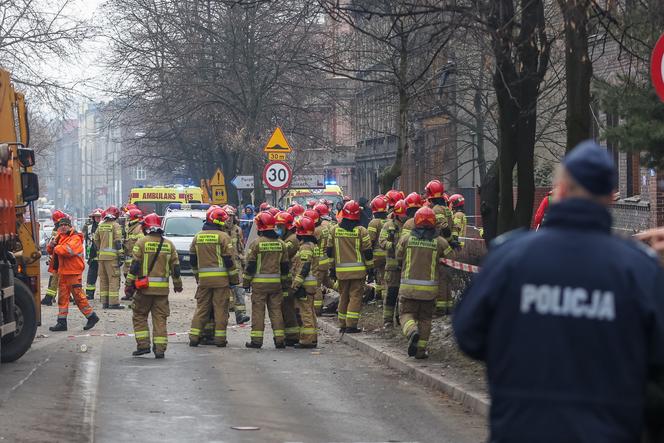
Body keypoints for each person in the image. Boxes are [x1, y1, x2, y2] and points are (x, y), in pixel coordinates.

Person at [453, 140, 664, 442]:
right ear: (610, 197)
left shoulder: (510, 259)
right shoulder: (639, 271)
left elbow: (468, 334)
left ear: (560, 190)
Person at [396, 206, 451, 359]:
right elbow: (450, 258)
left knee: (406, 314)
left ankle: (412, 331)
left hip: (408, 289)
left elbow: (398, 256)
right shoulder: (440, 242)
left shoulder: (406, 239)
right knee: (426, 319)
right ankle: (420, 351)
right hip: (429, 291)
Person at [125, 213, 183, 359]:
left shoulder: (141, 243)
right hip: (162, 291)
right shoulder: (169, 244)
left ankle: (143, 346)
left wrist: (128, 285)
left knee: (139, 315)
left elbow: (134, 267)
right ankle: (160, 349)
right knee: (160, 318)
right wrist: (177, 285)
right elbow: (175, 268)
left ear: (146, 227)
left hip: (143, 289)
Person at [188, 208, 238, 347]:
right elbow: (229, 260)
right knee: (221, 309)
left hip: (204, 281)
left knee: (202, 309)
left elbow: (192, 260)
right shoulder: (223, 237)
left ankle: (194, 337)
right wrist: (234, 280)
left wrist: (198, 276)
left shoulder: (198, 236)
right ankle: (220, 339)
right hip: (221, 281)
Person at [243, 212, 290, 349]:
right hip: (276, 285)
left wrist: (246, 283)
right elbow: (285, 267)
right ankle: (280, 340)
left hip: (259, 285)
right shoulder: (281, 244)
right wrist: (285, 284)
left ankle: (257, 341)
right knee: (276, 311)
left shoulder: (256, 244)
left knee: (258, 311)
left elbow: (250, 266)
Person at [327, 200, 373, 333]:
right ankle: (351, 325)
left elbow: (329, 251)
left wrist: (332, 268)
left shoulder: (334, 230)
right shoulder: (361, 231)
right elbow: (368, 252)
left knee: (343, 297)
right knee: (355, 297)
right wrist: (370, 269)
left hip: (341, 272)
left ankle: (342, 324)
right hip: (358, 272)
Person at [47, 217, 100, 332]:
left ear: (70, 226)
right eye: (62, 225)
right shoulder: (60, 236)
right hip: (63, 272)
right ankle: (61, 322)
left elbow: (67, 251)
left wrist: (55, 247)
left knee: (78, 297)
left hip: (73, 272)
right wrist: (51, 245)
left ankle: (92, 317)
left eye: (66, 225)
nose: (63, 226)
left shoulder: (76, 237)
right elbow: (51, 250)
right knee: (62, 298)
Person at [424, 180, 456, 316]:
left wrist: (445, 240)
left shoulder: (436, 209)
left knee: (440, 280)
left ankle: (440, 309)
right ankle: (448, 306)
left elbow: (444, 228)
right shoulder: (447, 209)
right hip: (447, 247)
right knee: (446, 279)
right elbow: (453, 227)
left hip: (440, 247)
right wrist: (452, 241)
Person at [290, 216, 319, 348]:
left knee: (305, 312)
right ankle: (312, 338)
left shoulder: (305, 247)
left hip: (305, 284)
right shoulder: (312, 245)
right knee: (310, 310)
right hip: (311, 284)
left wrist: (296, 285)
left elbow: (304, 267)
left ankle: (307, 339)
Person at [378, 199, 408, 327]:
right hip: (392, 266)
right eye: (402, 215)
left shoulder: (409, 226)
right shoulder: (388, 226)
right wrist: (394, 245)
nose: (404, 217)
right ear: (396, 214)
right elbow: (382, 242)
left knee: (403, 295)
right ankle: (388, 320)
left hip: (406, 266)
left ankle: (400, 318)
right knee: (391, 294)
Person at [275, 211, 300, 346]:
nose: (278, 229)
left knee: (288, 307)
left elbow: (281, 254)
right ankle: (290, 334)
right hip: (285, 278)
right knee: (285, 306)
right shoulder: (287, 239)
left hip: (289, 279)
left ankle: (293, 336)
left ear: (288, 226)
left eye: (280, 226)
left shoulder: (292, 240)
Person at [93, 206, 124, 309]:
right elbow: (118, 241)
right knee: (113, 279)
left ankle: (105, 302)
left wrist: (101, 249)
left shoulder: (100, 226)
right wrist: (121, 255)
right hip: (112, 259)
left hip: (101, 257)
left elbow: (95, 239)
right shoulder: (116, 226)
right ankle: (113, 303)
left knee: (104, 280)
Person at [41, 210, 68, 306]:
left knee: (60, 279)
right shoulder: (59, 231)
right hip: (58, 258)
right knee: (56, 278)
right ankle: (49, 298)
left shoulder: (58, 231)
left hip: (61, 258)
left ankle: (50, 298)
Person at [367, 195, 388, 304]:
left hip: (377, 254)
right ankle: (382, 297)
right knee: (384, 275)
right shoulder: (389, 221)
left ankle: (379, 296)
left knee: (377, 274)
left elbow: (370, 240)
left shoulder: (374, 222)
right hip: (388, 254)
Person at [121, 208, 144, 300]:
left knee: (136, 276)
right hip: (128, 256)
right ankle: (129, 294)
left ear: (133, 218)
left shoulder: (139, 228)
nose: (127, 219)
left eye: (128, 217)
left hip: (135, 257)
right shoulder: (129, 228)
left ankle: (136, 295)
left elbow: (140, 244)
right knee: (127, 275)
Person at [83, 208, 103, 300]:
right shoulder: (89, 227)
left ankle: (104, 296)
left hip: (103, 256)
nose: (97, 219)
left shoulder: (104, 227)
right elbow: (84, 238)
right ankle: (89, 294)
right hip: (92, 255)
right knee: (91, 276)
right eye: (96, 217)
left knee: (104, 276)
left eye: (99, 217)